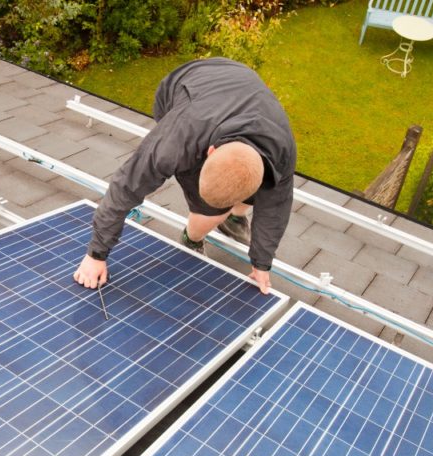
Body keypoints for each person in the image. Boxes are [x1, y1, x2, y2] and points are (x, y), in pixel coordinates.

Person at [72, 57, 296, 295]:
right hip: (188, 87)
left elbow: (275, 208)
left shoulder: (281, 153)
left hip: (236, 93)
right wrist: (96, 254)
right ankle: (193, 238)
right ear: (209, 152)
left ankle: (233, 218)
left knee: (247, 193)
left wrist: (262, 263)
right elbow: (127, 185)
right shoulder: (179, 137)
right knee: (210, 209)